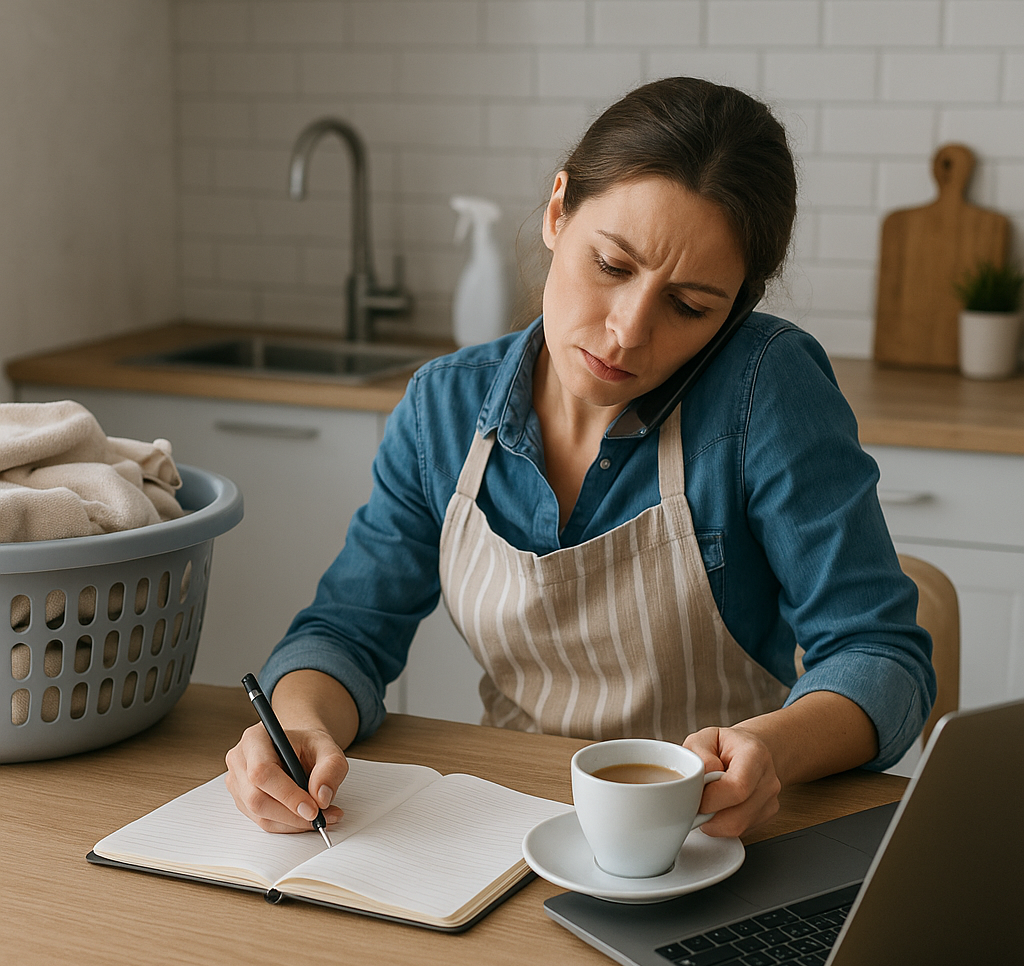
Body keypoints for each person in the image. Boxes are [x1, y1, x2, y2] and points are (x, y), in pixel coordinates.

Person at [225, 77, 935, 841]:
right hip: (505, 824)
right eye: (613, 266)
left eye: (689, 306)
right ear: (559, 210)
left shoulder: (765, 391)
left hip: (711, 838)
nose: (628, 331)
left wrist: (773, 750)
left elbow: (880, 654)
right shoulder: (444, 409)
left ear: (734, 311)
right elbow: (345, 633)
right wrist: (299, 725)